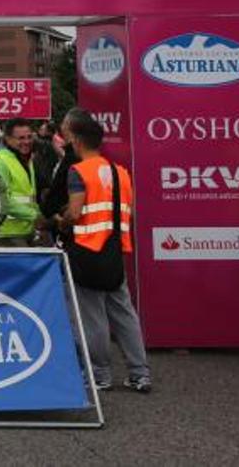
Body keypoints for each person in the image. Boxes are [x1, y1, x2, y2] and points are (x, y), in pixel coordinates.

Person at [55, 108, 151, 393]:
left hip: (86, 251)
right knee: (124, 313)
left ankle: (100, 374)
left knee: (92, 316)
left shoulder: (78, 171)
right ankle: (139, 372)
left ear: (78, 141)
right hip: (114, 251)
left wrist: (61, 219)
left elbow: (74, 212)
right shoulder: (120, 172)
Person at [0, 118, 41, 246]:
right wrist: (35, 216)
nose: (27, 142)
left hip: (25, 231)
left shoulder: (24, 159)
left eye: (29, 137)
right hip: (6, 233)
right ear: (7, 139)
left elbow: (29, 197)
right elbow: (1, 200)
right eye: (21, 138)